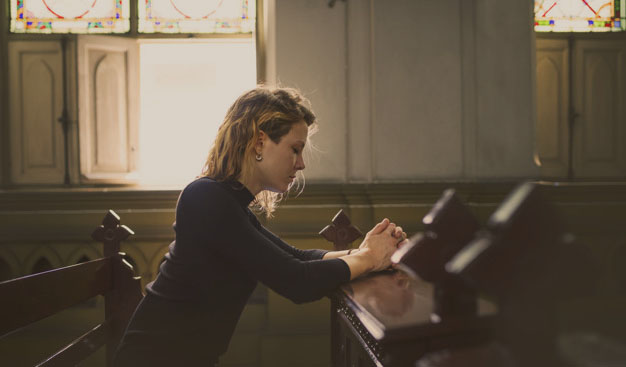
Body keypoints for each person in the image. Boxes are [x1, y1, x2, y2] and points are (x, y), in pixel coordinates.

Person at [113, 87, 407, 367]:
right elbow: (297, 280)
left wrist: (366, 251)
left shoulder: (228, 202)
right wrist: (369, 258)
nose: (301, 163)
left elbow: (299, 258)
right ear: (259, 142)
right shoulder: (205, 197)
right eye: (295, 149)